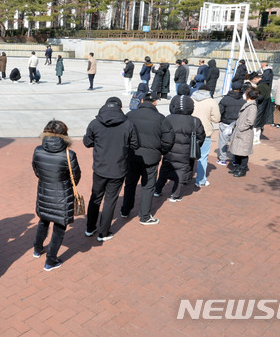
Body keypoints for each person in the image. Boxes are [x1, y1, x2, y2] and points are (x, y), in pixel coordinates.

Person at [83, 97, 139, 241]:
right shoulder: (128, 124)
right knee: (110, 200)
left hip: (100, 168)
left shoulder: (95, 123)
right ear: (120, 108)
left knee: (95, 198)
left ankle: (90, 228)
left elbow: (87, 142)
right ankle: (103, 233)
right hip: (118, 169)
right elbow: (135, 145)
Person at [32, 120, 80, 271]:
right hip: (62, 197)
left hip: (44, 192)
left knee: (43, 221)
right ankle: (50, 261)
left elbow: (36, 170)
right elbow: (76, 177)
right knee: (59, 228)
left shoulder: (38, 150)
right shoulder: (69, 154)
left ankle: (37, 249)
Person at [120, 93, 175, 224]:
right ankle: (144, 216)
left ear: (142, 100)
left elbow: (122, 135)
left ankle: (125, 210)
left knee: (130, 183)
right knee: (148, 186)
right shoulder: (161, 118)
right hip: (151, 158)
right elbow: (169, 139)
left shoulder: (130, 115)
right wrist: (160, 151)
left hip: (132, 156)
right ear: (155, 102)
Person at [154, 92, 205, 202]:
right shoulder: (195, 121)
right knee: (182, 172)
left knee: (164, 169)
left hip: (169, 151)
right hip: (185, 153)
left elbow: (161, 134)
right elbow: (201, 137)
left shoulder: (168, 118)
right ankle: (175, 195)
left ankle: (157, 190)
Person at [191, 85, 221, 187]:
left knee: (188, 155)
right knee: (203, 157)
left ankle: (185, 177)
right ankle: (200, 181)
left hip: (190, 130)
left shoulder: (191, 99)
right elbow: (217, 119)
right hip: (205, 132)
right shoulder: (211, 102)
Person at [228, 88, 260, 177]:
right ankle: (237, 167)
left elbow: (250, 121)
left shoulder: (252, 107)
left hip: (244, 133)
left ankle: (242, 169)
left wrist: (241, 128)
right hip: (240, 132)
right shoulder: (249, 105)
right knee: (237, 151)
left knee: (243, 153)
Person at [217, 81, 246, 166]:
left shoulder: (225, 99)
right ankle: (235, 160)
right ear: (241, 89)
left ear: (232, 88)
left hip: (225, 123)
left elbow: (220, 110)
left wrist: (219, 120)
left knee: (223, 142)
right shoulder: (243, 101)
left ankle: (223, 159)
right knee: (235, 142)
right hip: (237, 124)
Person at [252, 72, 273, 145]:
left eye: (253, 81)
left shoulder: (260, 86)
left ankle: (255, 139)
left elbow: (260, 98)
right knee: (260, 124)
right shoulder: (266, 83)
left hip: (260, 106)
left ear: (255, 79)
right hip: (266, 106)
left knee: (256, 123)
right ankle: (257, 139)